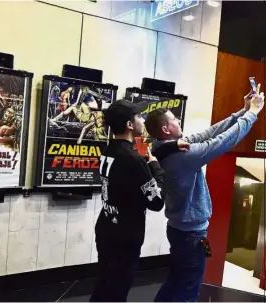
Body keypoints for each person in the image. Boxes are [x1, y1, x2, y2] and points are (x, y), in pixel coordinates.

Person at [144, 84, 265, 302]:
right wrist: (252, 115)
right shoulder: (181, 156)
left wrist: (244, 109)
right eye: (175, 120)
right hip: (191, 235)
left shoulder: (165, 147)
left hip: (179, 231)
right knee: (188, 289)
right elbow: (222, 141)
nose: (179, 122)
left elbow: (209, 133)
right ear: (165, 130)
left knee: (176, 281)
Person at [90, 99, 190, 302]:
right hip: (124, 239)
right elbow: (156, 201)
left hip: (107, 228)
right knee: (116, 292)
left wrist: (170, 147)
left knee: (104, 286)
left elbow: (145, 153)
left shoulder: (110, 150)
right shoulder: (133, 160)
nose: (142, 119)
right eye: (137, 116)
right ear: (129, 125)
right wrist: (156, 168)